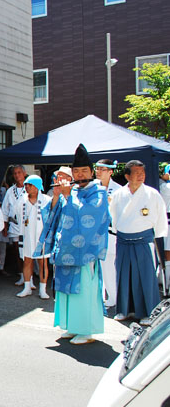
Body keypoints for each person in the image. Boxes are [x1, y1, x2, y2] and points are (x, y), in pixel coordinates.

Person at [38, 144, 109, 344]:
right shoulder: (73, 191)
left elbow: (91, 217)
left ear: (92, 172)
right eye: (76, 171)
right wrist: (57, 196)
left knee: (83, 291)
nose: (79, 175)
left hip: (85, 252)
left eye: (83, 171)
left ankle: (86, 330)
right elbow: (55, 215)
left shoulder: (99, 193)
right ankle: (71, 326)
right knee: (65, 290)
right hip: (66, 250)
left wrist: (68, 196)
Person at [109, 160, 168, 324]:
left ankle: (150, 312)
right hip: (123, 240)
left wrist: (158, 233)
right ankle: (124, 309)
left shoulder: (152, 194)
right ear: (127, 176)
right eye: (137, 173)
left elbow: (161, 216)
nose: (141, 175)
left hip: (143, 240)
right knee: (123, 275)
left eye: (143, 172)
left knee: (146, 277)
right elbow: (113, 217)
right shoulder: (118, 194)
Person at [15, 175, 51, 299]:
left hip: (41, 236)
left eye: (30, 185)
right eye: (26, 185)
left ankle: (43, 289)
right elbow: (17, 214)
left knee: (42, 262)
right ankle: (27, 287)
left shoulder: (46, 200)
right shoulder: (22, 200)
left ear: (37, 186)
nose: (27, 187)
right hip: (27, 234)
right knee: (27, 261)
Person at [94, 159, 122, 308]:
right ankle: (103, 295)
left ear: (110, 171)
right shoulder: (93, 188)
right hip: (95, 235)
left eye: (102, 169)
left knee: (111, 267)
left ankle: (115, 297)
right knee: (99, 268)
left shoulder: (118, 190)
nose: (98, 171)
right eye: (97, 168)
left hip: (111, 234)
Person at [1, 165, 28, 287]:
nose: (17, 175)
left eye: (19, 172)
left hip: (28, 225)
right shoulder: (10, 191)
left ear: (24, 173)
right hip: (15, 225)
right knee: (17, 251)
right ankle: (22, 274)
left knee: (29, 251)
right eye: (15, 173)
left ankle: (30, 277)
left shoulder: (30, 187)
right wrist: (5, 226)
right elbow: (5, 210)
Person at [159, 164, 170, 288]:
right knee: (167, 254)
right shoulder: (165, 187)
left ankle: (166, 283)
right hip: (167, 222)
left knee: (167, 254)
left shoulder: (164, 186)